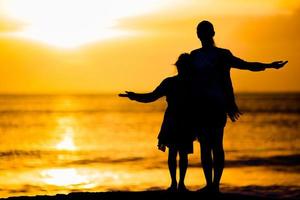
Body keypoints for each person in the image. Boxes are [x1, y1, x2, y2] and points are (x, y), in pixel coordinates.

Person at [190, 20, 287, 193]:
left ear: (211, 34)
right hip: (201, 106)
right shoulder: (194, 55)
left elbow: (246, 65)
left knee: (215, 145)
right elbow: (188, 82)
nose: (202, 34)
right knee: (206, 146)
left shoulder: (222, 55)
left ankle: (214, 186)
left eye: (204, 31)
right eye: (200, 31)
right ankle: (210, 185)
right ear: (199, 35)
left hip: (218, 105)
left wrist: (269, 66)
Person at [119, 53, 195, 192]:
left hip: (178, 119)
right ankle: (177, 184)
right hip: (180, 119)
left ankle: (178, 184)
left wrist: (135, 96)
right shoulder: (185, 83)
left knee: (177, 152)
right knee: (179, 152)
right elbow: (151, 96)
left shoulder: (177, 83)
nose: (181, 69)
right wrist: (135, 96)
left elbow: (151, 97)